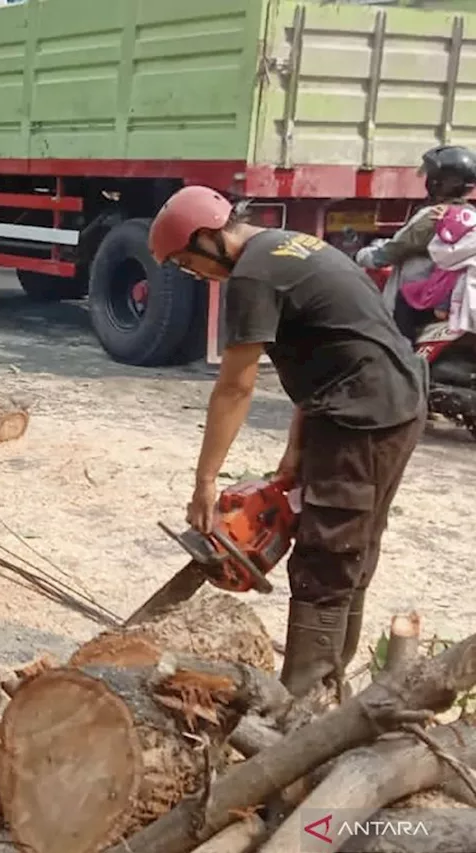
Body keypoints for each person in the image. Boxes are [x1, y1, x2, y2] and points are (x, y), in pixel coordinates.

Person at [148, 186, 427, 699]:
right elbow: (327, 348)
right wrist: (297, 449)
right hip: (387, 401)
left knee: (327, 554)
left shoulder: (252, 275)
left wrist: (206, 483)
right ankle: (328, 684)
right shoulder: (286, 246)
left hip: (362, 414)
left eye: (189, 264)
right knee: (353, 546)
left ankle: (300, 703)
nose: (196, 275)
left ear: (208, 238)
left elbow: (235, 386)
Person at [356, 145, 476, 342]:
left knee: (398, 338)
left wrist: (360, 256)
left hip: (427, 298)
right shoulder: (469, 214)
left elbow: (389, 253)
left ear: (439, 182)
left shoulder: (432, 217)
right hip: (456, 295)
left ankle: (403, 361)